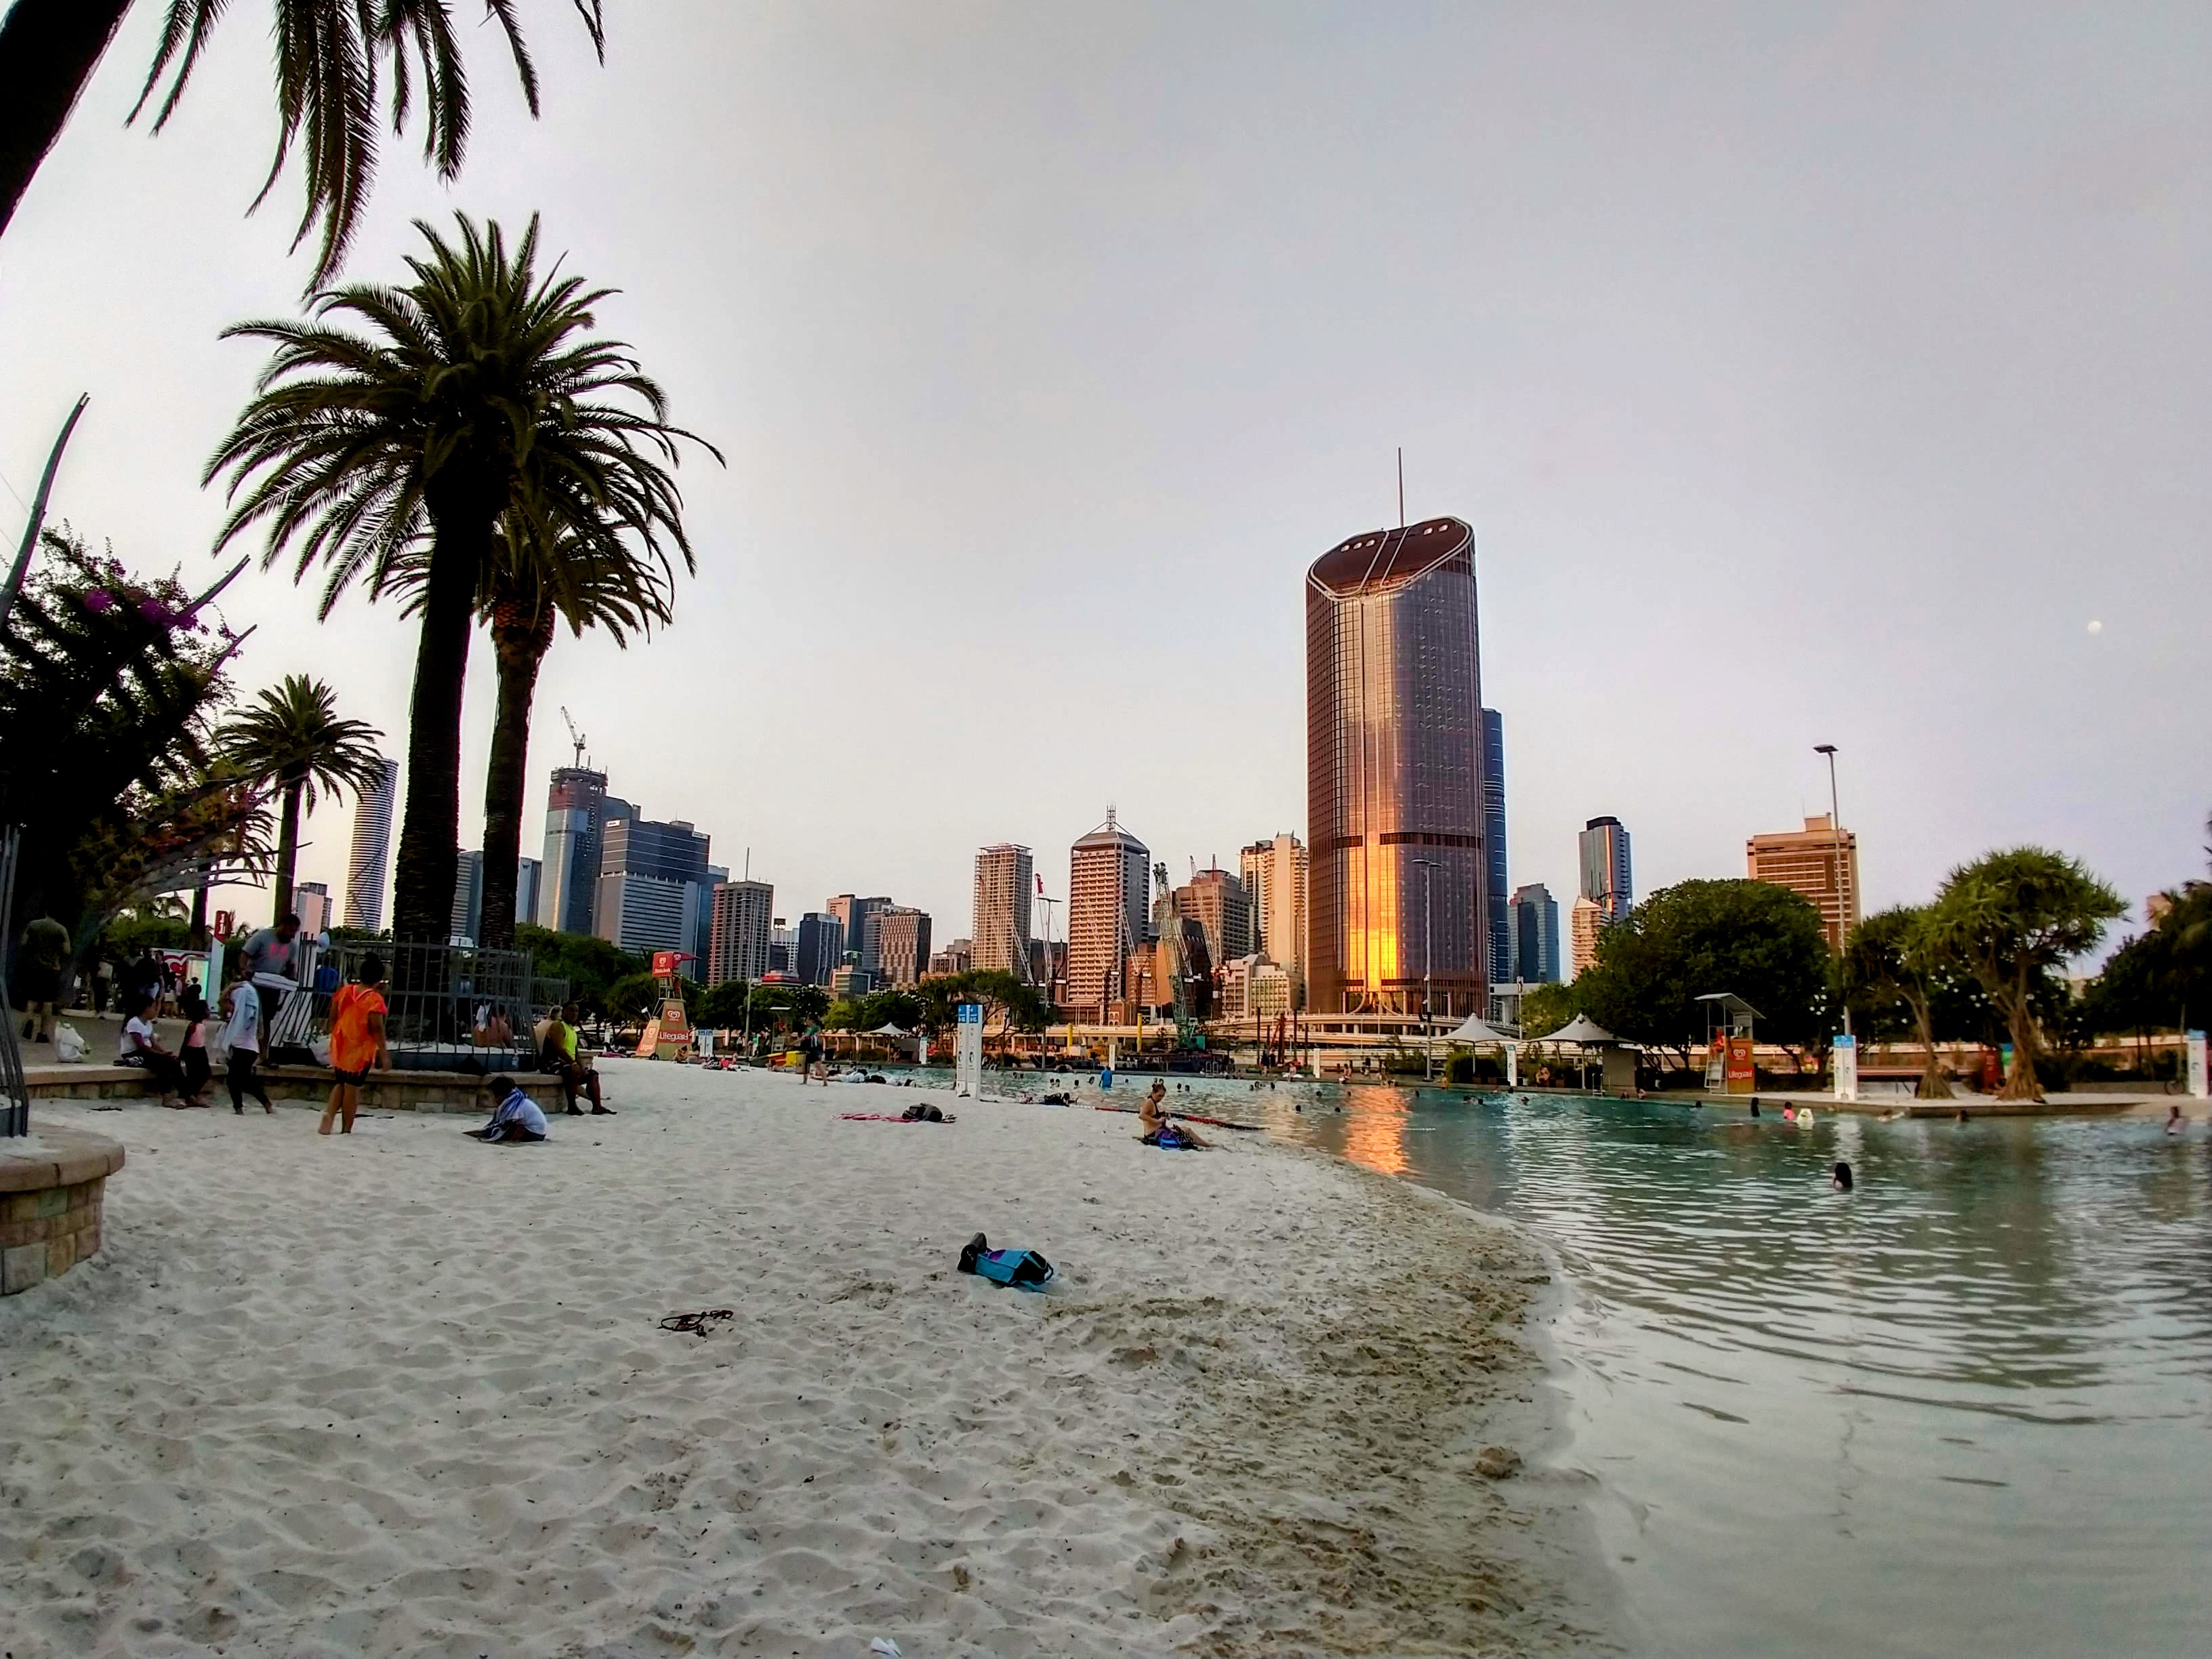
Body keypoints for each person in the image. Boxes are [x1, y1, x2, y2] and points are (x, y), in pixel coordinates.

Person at [321, 953, 390, 1136]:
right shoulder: (374, 999)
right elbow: (377, 1028)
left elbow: (333, 1015)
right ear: (379, 978)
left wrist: (334, 1033)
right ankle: (346, 1128)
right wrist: (384, 1053)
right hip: (360, 1048)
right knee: (353, 1087)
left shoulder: (345, 991)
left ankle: (329, 1115)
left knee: (340, 1083)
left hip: (341, 1043)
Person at [117, 992, 187, 1107]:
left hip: (147, 1052)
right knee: (163, 1064)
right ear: (146, 1008)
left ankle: (186, 1094)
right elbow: (141, 1046)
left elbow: (153, 1043)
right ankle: (166, 1097)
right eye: (154, 1007)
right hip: (133, 1054)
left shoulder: (148, 1023)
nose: (156, 1010)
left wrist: (164, 1053)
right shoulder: (134, 1022)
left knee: (174, 1062)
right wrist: (161, 1055)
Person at [222, 964, 273, 1115]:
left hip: (247, 1047)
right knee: (241, 1079)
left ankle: (244, 1107)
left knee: (237, 1079)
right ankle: (256, 1104)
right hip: (242, 1047)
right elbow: (223, 1003)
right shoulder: (240, 1003)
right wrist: (230, 989)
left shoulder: (245, 1000)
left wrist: (231, 989)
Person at [544, 1002, 611, 1115]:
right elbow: (558, 1049)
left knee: (593, 1075)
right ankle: (572, 1106)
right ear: (564, 1011)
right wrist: (573, 1064)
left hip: (568, 1064)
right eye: (571, 1010)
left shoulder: (572, 1031)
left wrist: (581, 1066)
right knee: (572, 1071)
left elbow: (576, 1052)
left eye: (576, 1011)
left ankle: (597, 1107)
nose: (574, 1014)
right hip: (552, 1063)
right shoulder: (558, 1026)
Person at [241, 913, 302, 1033]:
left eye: (295, 932)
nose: (292, 935)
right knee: (249, 1015)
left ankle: (263, 1049)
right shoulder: (262, 937)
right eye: (290, 931)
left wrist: (291, 979)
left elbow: (291, 966)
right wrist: (244, 969)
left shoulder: (292, 946)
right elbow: (245, 954)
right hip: (255, 982)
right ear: (282, 926)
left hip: (273, 986)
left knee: (267, 1019)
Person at [16, 914, 70, 1043]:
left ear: (46, 911)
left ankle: (30, 1020)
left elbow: (23, 942)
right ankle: (43, 1033)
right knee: (48, 1002)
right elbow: (67, 950)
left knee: (32, 999)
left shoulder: (33, 925)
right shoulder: (61, 929)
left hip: (34, 968)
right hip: (51, 970)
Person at [468, 1075, 550, 1143]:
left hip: (535, 1134)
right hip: (538, 1132)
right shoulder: (515, 1100)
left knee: (503, 1131)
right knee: (498, 1130)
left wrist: (511, 1141)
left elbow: (519, 1128)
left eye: (492, 1095)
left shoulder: (514, 1105)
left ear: (499, 1095)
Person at [1139, 1080, 1210, 1149]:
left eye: (1163, 1096)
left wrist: (1166, 1115)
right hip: (1155, 1134)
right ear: (1153, 1093)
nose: (1161, 1098)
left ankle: (1206, 1144)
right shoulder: (1150, 1102)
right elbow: (1142, 1115)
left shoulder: (1155, 1103)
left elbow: (1155, 1115)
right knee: (1187, 1131)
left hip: (1160, 1132)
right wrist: (1157, 1121)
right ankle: (1207, 1145)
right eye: (1159, 1096)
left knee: (1186, 1130)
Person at [178, 988, 213, 1107]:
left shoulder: (201, 1025)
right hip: (192, 1051)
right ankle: (188, 1095)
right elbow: (186, 1039)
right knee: (194, 1074)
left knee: (205, 1073)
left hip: (200, 1050)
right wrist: (182, 1053)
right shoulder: (193, 1025)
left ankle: (192, 1094)